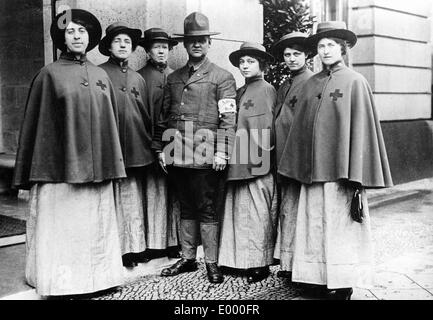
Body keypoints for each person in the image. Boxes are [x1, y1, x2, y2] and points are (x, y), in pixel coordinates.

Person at [13, 9, 126, 296]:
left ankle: (99, 281)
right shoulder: (48, 75)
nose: (77, 36)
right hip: (60, 170)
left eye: (82, 31)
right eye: (71, 31)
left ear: (90, 38)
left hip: (98, 169)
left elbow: (109, 122)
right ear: (62, 37)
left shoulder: (101, 74)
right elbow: (37, 125)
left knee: (95, 225)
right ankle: (65, 285)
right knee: (65, 227)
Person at [277, 21, 393, 300]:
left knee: (339, 226)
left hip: (340, 170)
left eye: (331, 45)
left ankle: (342, 282)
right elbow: (300, 127)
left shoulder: (355, 81)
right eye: (321, 45)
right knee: (312, 223)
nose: (326, 50)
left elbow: (361, 130)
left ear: (342, 48)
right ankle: (315, 279)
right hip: (311, 169)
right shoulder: (311, 84)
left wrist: (356, 171)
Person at [152, 12, 237, 284]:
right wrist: (160, 149)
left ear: (209, 43)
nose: (197, 45)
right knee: (185, 206)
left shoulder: (223, 77)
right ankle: (188, 258)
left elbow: (228, 119)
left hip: (206, 154)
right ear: (186, 45)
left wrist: (222, 150)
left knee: (207, 207)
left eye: (201, 40)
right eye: (192, 41)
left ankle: (211, 262)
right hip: (177, 152)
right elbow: (164, 117)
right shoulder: (174, 77)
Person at [218, 42, 278, 283]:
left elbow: (269, 128)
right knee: (238, 211)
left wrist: (259, 160)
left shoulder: (267, 90)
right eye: (242, 62)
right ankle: (237, 260)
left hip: (256, 162)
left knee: (257, 213)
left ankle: (259, 262)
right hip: (238, 158)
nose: (245, 66)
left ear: (261, 65)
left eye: (250, 61)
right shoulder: (240, 92)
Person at [98, 22, 154, 268]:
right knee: (114, 199)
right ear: (109, 46)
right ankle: (117, 249)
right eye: (118, 41)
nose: (123, 46)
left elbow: (145, 114)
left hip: (136, 146)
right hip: (111, 147)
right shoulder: (99, 73)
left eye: (127, 42)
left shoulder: (138, 78)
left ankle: (135, 246)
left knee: (133, 198)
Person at [269, 32, 314, 278]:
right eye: (287, 55)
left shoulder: (310, 81)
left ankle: (297, 264)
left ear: (306, 55)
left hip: (298, 157)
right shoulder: (285, 84)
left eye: (297, 54)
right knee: (286, 209)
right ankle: (287, 262)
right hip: (281, 155)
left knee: (297, 210)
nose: (292, 58)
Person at [137, 28, 181, 261]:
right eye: (156, 47)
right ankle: (154, 243)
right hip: (150, 143)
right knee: (154, 192)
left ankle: (173, 241)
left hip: (174, 142)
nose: (161, 51)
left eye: (165, 47)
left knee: (173, 192)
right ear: (147, 50)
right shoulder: (141, 77)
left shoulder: (176, 76)